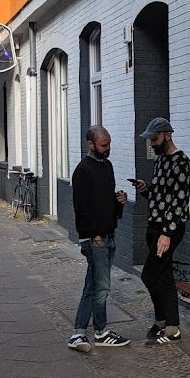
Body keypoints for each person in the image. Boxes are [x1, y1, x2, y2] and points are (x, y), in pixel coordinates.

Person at [131, 117, 190, 346]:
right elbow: (160, 196)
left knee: (150, 274)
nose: (152, 144)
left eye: (155, 139)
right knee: (164, 276)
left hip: (169, 230)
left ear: (167, 135)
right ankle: (170, 325)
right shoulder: (160, 161)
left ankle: (163, 320)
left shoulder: (182, 163)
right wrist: (145, 189)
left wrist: (167, 233)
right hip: (154, 225)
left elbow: (178, 202)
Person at [68, 125, 130, 352]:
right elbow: (81, 208)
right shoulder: (82, 170)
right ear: (90, 144)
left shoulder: (107, 166)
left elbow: (104, 202)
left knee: (92, 286)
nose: (108, 149)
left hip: (107, 235)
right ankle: (101, 332)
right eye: (104, 145)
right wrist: (94, 236)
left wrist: (118, 202)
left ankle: (78, 334)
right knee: (101, 288)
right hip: (96, 239)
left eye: (109, 144)